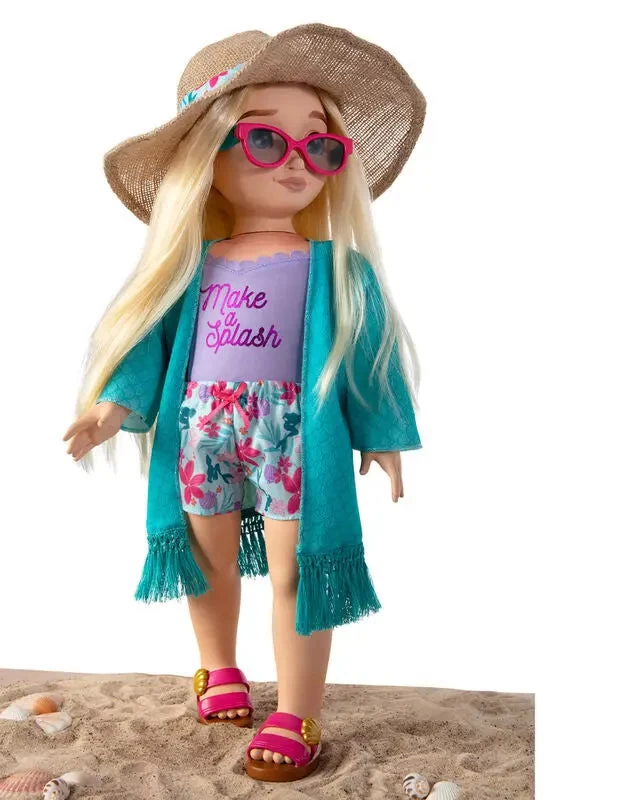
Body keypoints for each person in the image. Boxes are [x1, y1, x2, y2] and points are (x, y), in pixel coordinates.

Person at [62, 24, 426, 782]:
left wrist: (384, 435)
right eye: (266, 140)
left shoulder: (335, 267)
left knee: (299, 570)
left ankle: (298, 707)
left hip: (296, 436)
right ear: (210, 156)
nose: (297, 161)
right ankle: (217, 664)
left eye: (320, 146)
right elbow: (148, 348)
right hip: (200, 431)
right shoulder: (191, 267)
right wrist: (111, 409)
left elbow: (371, 354)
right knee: (207, 559)